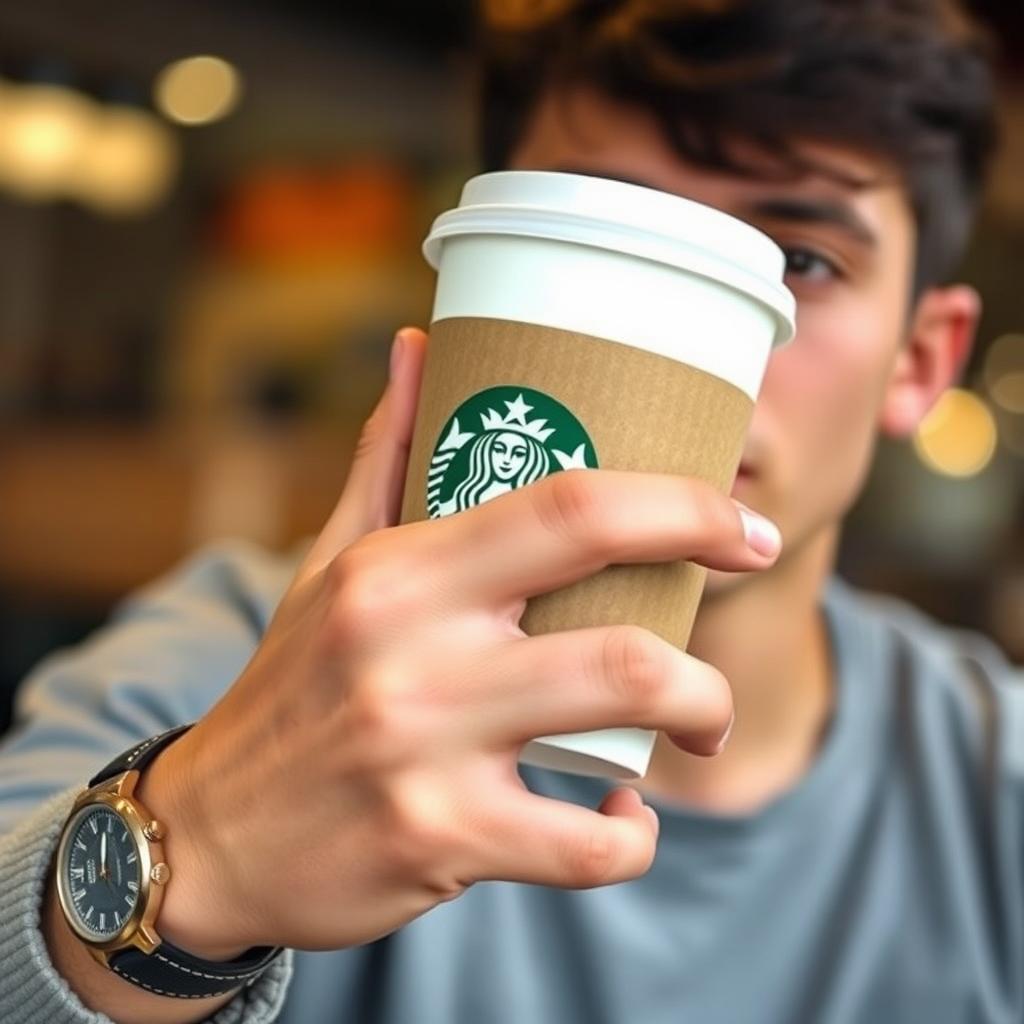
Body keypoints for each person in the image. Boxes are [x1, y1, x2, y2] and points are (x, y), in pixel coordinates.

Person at [0, 1, 1015, 1022]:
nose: (686, 327)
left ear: (921, 359)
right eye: (599, 230)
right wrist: (198, 853)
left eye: (799, 260)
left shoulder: (992, 792)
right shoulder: (239, 658)